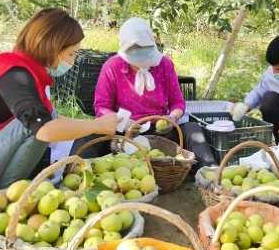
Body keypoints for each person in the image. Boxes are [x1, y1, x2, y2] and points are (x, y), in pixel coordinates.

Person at [0, 8, 119, 215]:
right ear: (52, 47)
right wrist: (96, 125)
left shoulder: (24, 72)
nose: (72, 62)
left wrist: (96, 126)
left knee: (46, 117)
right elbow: (44, 129)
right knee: (35, 123)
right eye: (71, 54)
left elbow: (52, 120)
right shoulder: (13, 74)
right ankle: (4, 197)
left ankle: (7, 198)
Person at [91, 17, 216, 167]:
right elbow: (101, 107)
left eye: (145, 60)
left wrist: (171, 118)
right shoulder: (112, 67)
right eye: (135, 62)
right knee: (92, 133)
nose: (141, 65)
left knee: (192, 129)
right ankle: (79, 170)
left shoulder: (165, 65)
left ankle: (209, 170)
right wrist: (123, 123)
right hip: (124, 133)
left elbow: (177, 102)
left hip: (160, 133)